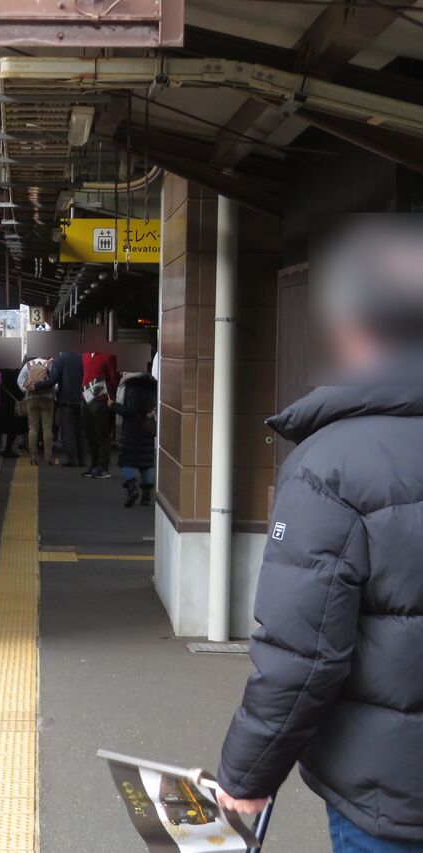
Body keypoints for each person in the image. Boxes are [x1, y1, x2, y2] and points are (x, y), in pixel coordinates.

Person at [215, 219, 423, 852]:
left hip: (391, 798)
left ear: (352, 330)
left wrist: (246, 777)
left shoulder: (331, 465)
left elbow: (303, 657)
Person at [111, 370, 157, 505]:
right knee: (145, 463)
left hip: (131, 431)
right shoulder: (152, 386)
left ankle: (132, 488)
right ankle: (147, 496)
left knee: (126, 462)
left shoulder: (132, 387)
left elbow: (130, 410)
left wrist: (113, 405)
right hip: (148, 429)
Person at [34, 350, 84, 466]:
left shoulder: (59, 360)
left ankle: (72, 459)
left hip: (66, 400)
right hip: (82, 399)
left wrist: (36, 385)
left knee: (68, 431)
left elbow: (52, 381)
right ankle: (82, 459)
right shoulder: (82, 357)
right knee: (80, 431)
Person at [81, 350, 120, 479]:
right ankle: (94, 464)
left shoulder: (108, 355)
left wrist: (111, 397)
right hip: (86, 398)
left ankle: (103, 467)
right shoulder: (85, 355)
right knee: (89, 434)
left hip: (101, 399)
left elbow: (113, 377)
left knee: (102, 434)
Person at [20, 354, 56, 465]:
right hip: (47, 399)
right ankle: (48, 457)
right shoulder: (50, 365)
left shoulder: (29, 364)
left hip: (32, 399)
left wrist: (26, 390)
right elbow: (56, 384)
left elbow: (19, 381)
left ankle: (33, 456)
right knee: (47, 429)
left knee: (33, 428)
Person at [0, 366, 24, 457]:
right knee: (13, 427)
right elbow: (17, 388)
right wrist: (22, 396)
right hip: (12, 404)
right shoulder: (12, 374)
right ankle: (8, 449)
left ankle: (3, 448)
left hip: (3, 402)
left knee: (4, 426)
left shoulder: (1, 372)